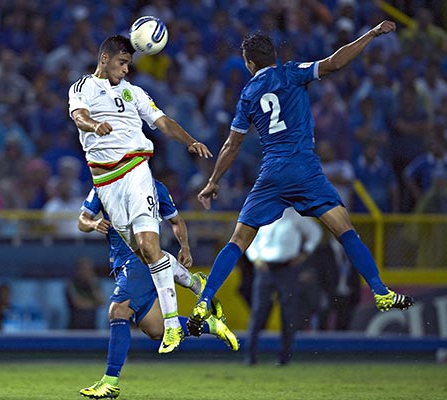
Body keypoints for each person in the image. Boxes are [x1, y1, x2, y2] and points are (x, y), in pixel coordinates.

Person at [188, 21, 414, 334]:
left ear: (249, 63)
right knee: (344, 230)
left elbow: (231, 145)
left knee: (238, 241)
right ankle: (380, 291)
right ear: (273, 57)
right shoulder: (292, 72)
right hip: (304, 169)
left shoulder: (248, 93)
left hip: (272, 173)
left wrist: (213, 182)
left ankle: (205, 299)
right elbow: (335, 62)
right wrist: (371, 35)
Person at [68, 35, 212, 354]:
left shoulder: (136, 93)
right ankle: (194, 282)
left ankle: (173, 326)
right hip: (108, 184)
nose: (126, 70)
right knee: (144, 252)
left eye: (129, 64)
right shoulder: (82, 88)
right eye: (122, 63)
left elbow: (162, 122)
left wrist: (189, 140)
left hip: (136, 172)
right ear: (104, 59)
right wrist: (93, 126)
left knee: (149, 245)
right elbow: (78, 116)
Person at [78, 179, 237, 399]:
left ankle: (110, 381)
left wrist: (185, 247)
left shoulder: (154, 187)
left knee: (118, 311)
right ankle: (210, 325)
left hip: (138, 262)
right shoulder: (103, 185)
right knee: (156, 330)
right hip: (123, 263)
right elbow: (82, 220)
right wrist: (94, 224)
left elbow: (176, 220)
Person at [244, 207, 322, 366]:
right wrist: (255, 258)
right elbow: (248, 238)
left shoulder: (295, 215)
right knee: (259, 311)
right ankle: (250, 355)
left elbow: (315, 233)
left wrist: (305, 253)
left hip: (287, 268)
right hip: (264, 268)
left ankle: (285, 356)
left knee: (288, 313)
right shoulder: (262, 212)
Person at [65, 257, 105, 329]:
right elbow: (78, 303)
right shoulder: (71, 284)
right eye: (84, 269)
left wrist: (92, 284)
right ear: (78, 270)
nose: (86, 272)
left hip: (91, 326)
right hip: (75, 327)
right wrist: (94, 304)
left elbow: (101, 302)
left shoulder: (94, 285)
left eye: (89, 269)